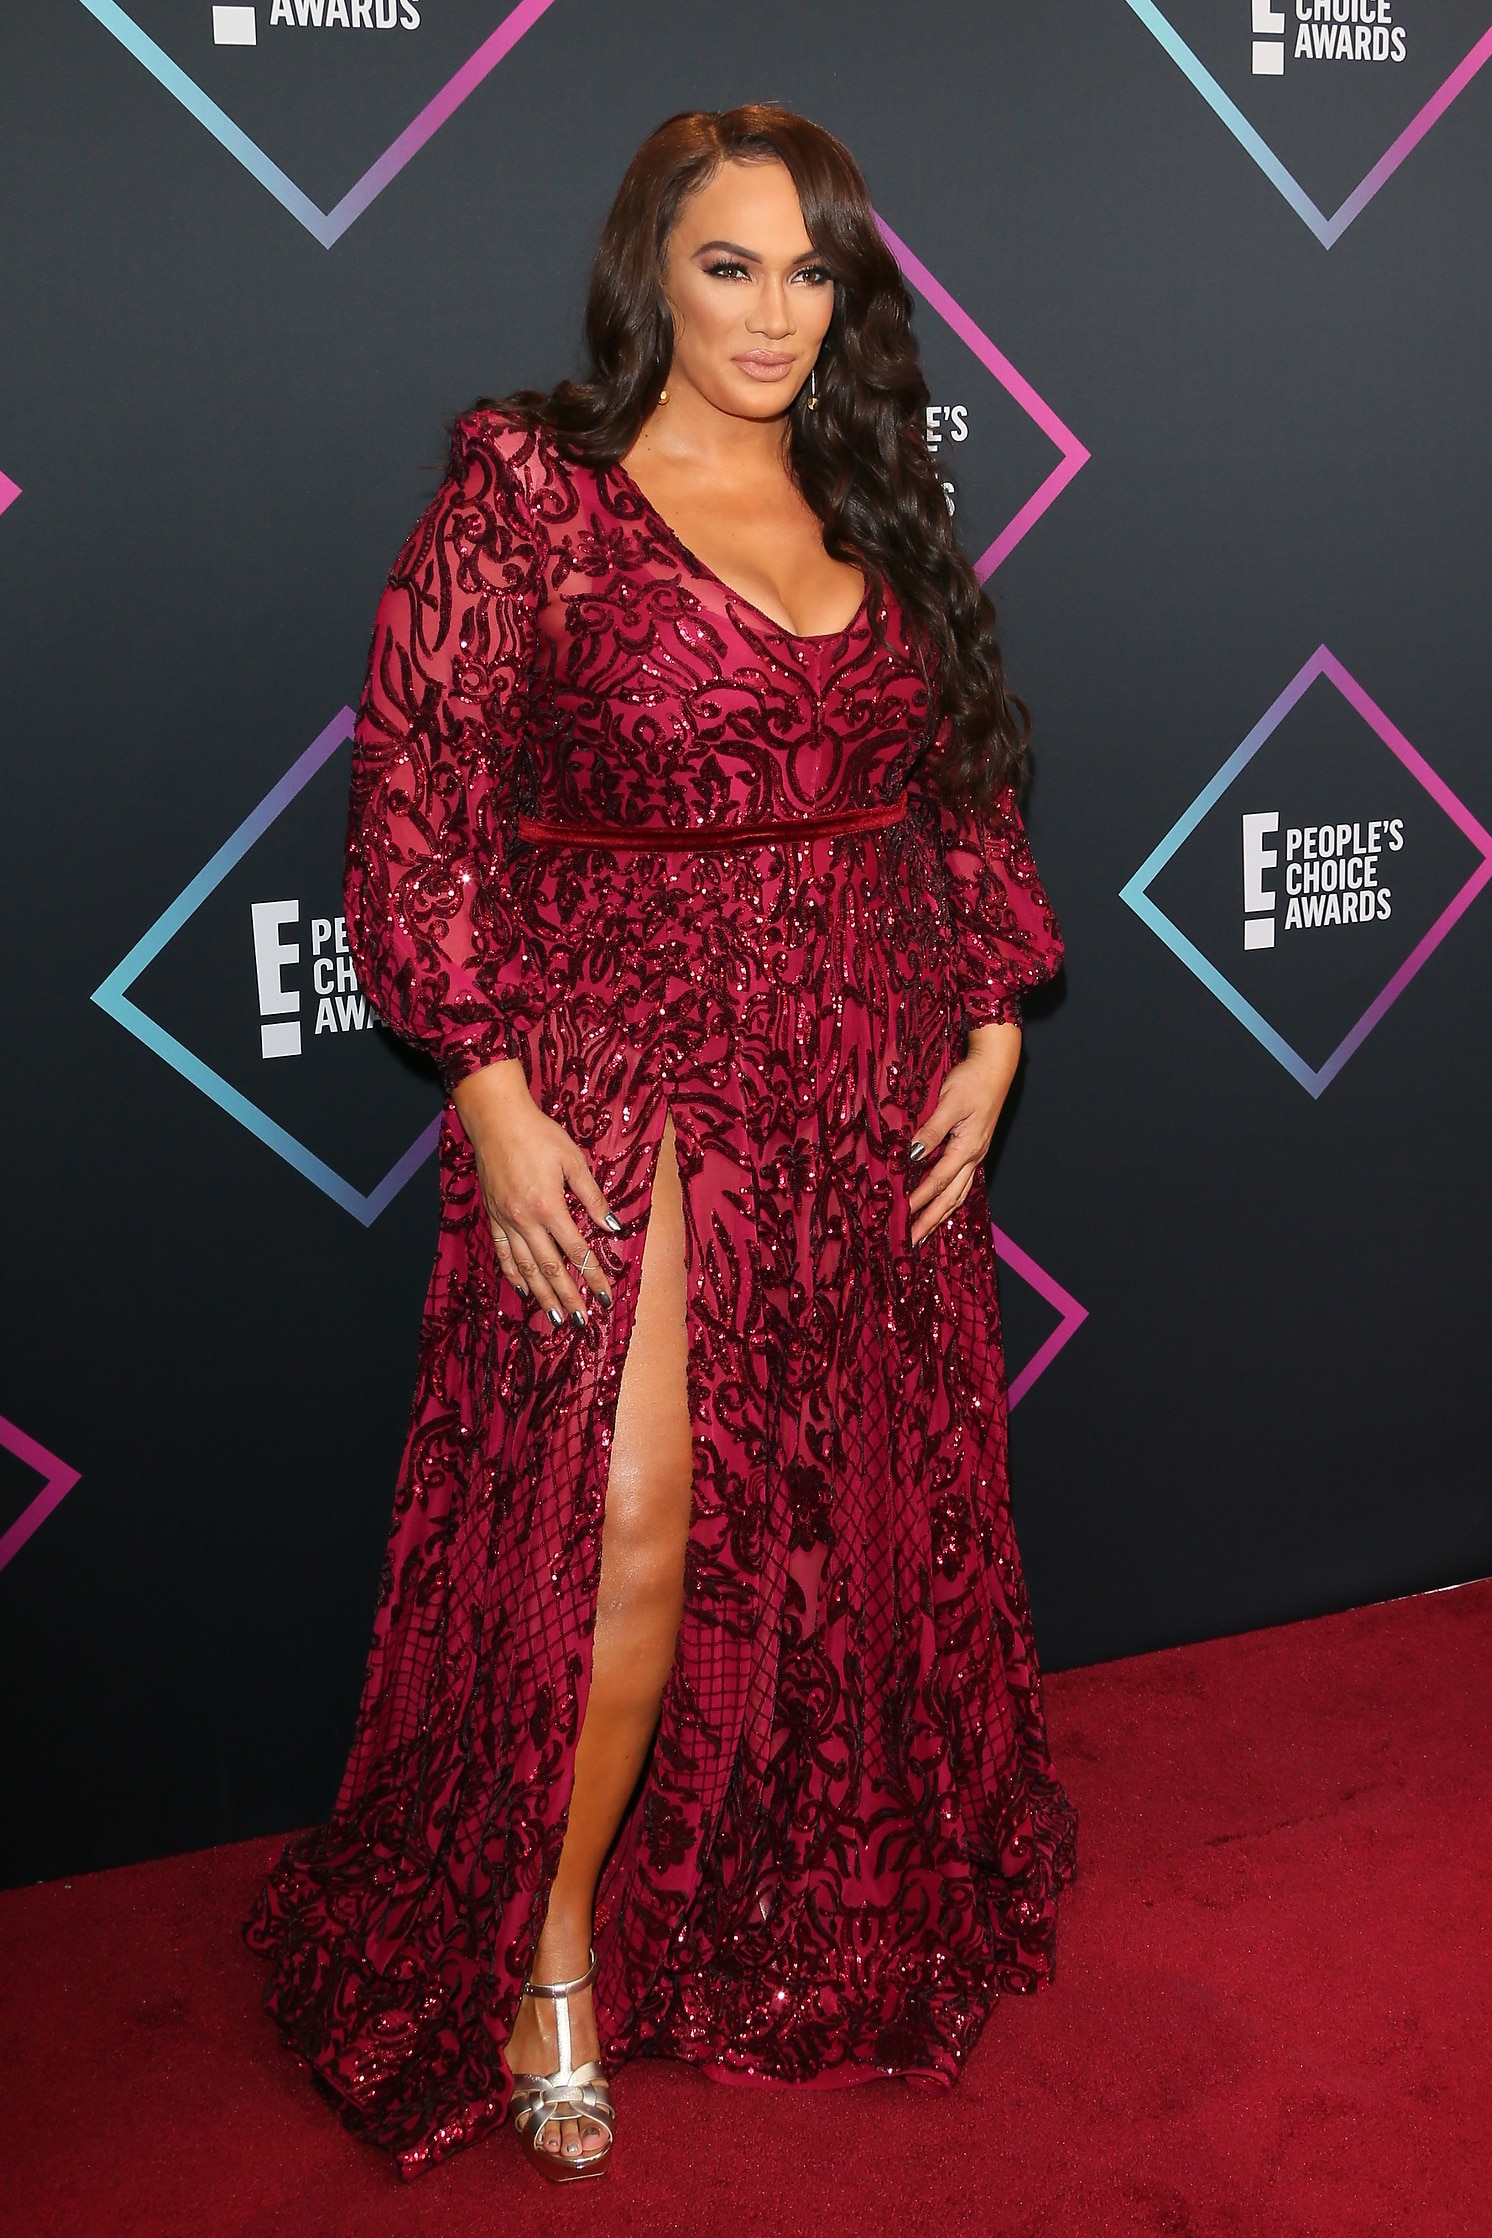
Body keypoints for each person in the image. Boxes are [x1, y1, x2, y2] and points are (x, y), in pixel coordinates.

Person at [246, 103, 1075, 2186]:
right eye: (729, 265)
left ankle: (765, 1894)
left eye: (813, 270)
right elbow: (417, 803)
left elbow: (948, 782)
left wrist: (987, 1019)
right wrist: (489, 1089)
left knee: (831, 1519)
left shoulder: (872, 496)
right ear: (650, 277)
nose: (775, 312)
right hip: (625, 1081)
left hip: (858, 1068)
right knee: (623, 1535)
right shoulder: (530, 496)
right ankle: (542, 1952)